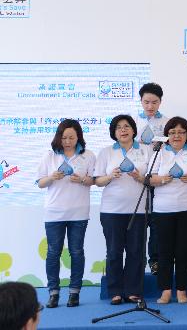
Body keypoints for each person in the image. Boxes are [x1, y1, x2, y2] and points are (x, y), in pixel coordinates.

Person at [36, 119, 96, 308]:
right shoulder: (49, 156)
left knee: (76, 251)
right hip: (54, 212)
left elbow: (93, 180)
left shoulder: (88, 155)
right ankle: (53, 293)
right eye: (64, 137)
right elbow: (40, 183)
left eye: (71, 137)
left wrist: (82, 180)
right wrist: (52, 177)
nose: (68, 141)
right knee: (53, 252)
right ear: (58, 137)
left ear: (78, 137)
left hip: (79, 211)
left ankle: (74, 292)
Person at [93, 115, 150, 304]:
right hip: (112, 210)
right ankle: (115, 291)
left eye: (127, 126)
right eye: (118, 127)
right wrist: (110, 176)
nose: (123, 130)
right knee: (114, 251)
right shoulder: (106, 152)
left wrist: (139, 177)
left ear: (134, 130)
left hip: (139, 210)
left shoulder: (145, 150)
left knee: (136, 251)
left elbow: (153, 177)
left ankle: (133, 290)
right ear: (114, 132)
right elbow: (97, 181)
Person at [151, 117, 187, 304]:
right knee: (164, 251)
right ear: (167, 135)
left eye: (181, 132)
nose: (177, 135)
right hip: (162, 208)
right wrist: (163, 179)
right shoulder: (159, 152)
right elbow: (149, 179)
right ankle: (165, 290)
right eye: (173, 132)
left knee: (184, 251)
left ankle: (182, 290)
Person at [135, 82, 168, 275]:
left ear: (160, 102)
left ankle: (154, 260)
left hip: (157, 177)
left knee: (155, 221)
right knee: (139, 222)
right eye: (146, 102)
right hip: (135, 178)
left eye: (154, 102)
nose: (150, 106)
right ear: (141, 101)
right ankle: (136, 262)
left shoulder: (167, 122)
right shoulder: (132, 122)